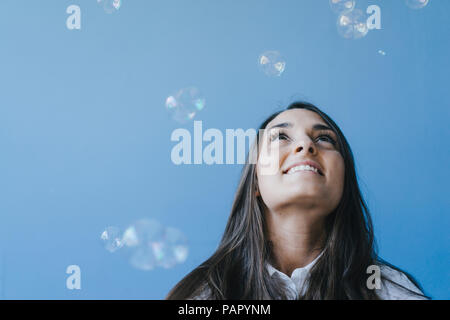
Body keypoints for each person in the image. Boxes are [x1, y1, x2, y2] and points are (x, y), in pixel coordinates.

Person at [166, 101, 429, 300]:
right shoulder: (205, 293)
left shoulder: (387, 290)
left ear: (343, 182)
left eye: (324, 138)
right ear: (255, 182)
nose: (305, 145)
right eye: (281, 137)